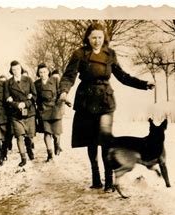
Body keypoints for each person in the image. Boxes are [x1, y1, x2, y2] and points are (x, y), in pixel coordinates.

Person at [59, 22, 154, 190]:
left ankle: (109, 181)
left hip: (105, 102)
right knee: (91, 141)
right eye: (94, 37)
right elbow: (69, 76)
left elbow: (123, 76)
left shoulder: (110, 54)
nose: (97, 41)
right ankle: (96, 178)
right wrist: (64, 91)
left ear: (104, 38)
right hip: (86, 102)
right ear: (88, 38)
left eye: (100, 38)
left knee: (105, 140)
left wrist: (143, 84)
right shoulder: (79, 54)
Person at [5, 60, 37, 167]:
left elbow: (34, 96)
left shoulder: (28, 80)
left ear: (21, 69)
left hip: (29, 112)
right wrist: (16, 105)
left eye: (18, 69)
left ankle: (29, 149)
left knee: (29, 136)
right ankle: (23, 158)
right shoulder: (8, 83)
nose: (16, 71)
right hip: (16, 114)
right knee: (19, 136)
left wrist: (26, 103)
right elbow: (7, 98)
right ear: (11, 70)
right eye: (13, 69)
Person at [34, 63, 63, 162]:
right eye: (40, 72)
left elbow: (60, 93)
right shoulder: (36, 84)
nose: (43, 74)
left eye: (44, 72)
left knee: (56, 133)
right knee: (47, 133)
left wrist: (58, 105)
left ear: (48, 72)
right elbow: (35, 97)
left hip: (55, 109)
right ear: (38, 73)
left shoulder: (55, 80)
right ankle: (50, 154)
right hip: (43, 111)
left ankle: (57, 144)